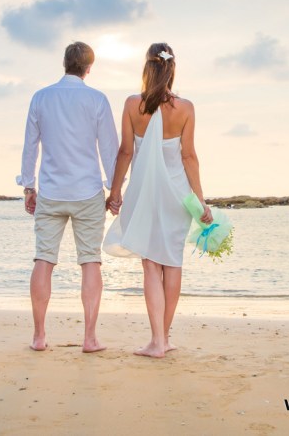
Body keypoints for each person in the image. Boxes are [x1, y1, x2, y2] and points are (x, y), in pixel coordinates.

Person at [104, 42, 212, 358]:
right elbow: (189, 156)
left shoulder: (132, 104)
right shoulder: (186, 108)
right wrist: (201, 201)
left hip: (145, 195)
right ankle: (163, 338)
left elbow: (125, 151)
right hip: (178, 196)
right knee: (173, 262)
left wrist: (114, 192)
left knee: (151, 264)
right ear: (172, 69)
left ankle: (156, 342)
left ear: (147, 69)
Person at [17, 41, 118, 353]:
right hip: (87, 191)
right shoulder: (97, 99)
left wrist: (29, 186)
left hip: (51, 191)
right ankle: (89, 338)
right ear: (89, 68)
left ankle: (38, 336)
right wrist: (115, 191)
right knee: (90, 262)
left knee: (43, 259)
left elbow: (30, 145)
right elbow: (110, 149)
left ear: (64, 63)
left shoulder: (41, 97)